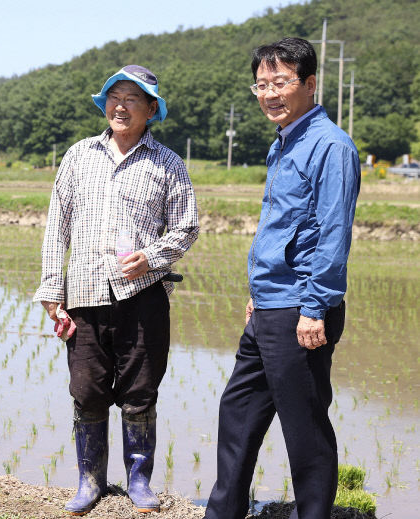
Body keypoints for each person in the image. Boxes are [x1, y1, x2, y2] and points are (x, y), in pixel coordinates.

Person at [204, 38, 361, 519]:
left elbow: (333, 234)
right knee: (238, 413)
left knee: (305, 430)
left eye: (281, 82)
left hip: (301, 310)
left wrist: (315, 307)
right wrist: (258, 295)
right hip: (269, 306)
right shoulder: (285, 142)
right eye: (262, 84)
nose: (270, 93)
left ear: (309, 84)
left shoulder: (331, 147)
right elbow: (282, 229)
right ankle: (223, 512)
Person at [34, 65, 199, 515]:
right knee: (86, 390)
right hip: (84, 294)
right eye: (114, 97)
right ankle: (89, 481)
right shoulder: (78, 156)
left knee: (140, 391)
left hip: (142, 295)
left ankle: (139, 482)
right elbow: (56, 228)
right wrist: (52, 289)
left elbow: (186, 228)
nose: (120, 106)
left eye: (132, 98)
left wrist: (152, 256)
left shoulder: (167, 163)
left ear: (151, 110)